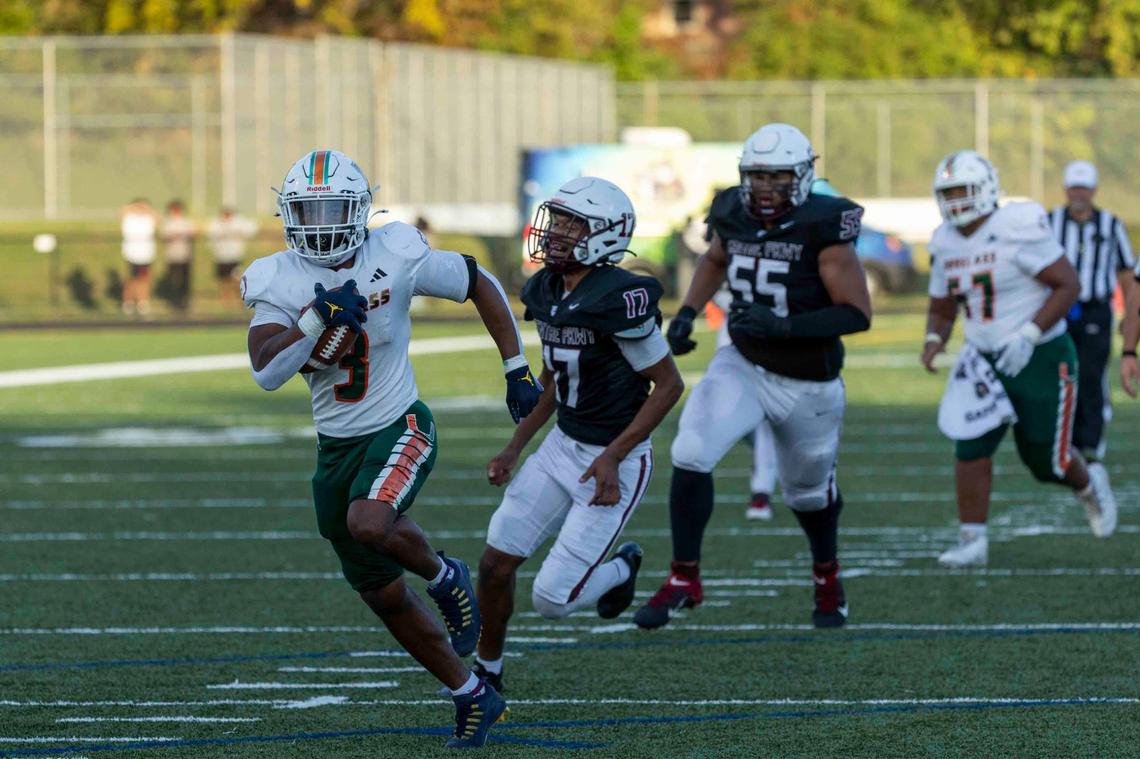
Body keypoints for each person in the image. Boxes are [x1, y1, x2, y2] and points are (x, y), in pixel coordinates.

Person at [242, 149, 542, 748]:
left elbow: (478, 281)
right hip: (336, 449)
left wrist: (515, 368)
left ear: (359, 210)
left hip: (400, 423)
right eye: (309, 209)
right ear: (287, 213)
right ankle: (470, 693)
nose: (322, 222)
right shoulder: (276, 277)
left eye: (333, 208)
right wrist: (310, 321)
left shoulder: (396, 252)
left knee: (370, 521)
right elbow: (266, 372)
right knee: (380, 593)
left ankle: (444, 573)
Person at [636, 123, 872, 631]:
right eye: (757, 176)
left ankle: (827, 576)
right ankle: (684, 576)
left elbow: (857, 314)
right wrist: (686, 313)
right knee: (691, 451)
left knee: (807, 493)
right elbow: (716, 257)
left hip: (807, 381)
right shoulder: (731, 211)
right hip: (742, 361)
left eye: (777, 176)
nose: (765, 187)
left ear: (803, 177)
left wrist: (785, 326)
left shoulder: (824, 225)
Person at [471, 177, 683, 693]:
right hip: (562, 445)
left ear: (606, 234)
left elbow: (669, 384)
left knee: (553, 600)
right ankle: (488, 670)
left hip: (614, 459)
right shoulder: (546, 287)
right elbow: (554, 377)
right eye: (557, 220)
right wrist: (516, 445)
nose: (556, 233)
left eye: (571, 224)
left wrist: (613, 456)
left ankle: (622, 569)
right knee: (496, 563)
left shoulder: (620, 297)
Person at [921, 150, 1117, 567]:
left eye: (963, 191)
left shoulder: (1016, 226)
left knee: (1047, 461)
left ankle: (1089, 485)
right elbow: (942, 302)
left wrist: (1029, 333)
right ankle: (973, 539)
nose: (955, 201)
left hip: (1041, 355)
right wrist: (934, 337)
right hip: (982, 358)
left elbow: (1068, 284)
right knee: (970, 444)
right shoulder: (944, 240)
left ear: (987, 190)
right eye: (948, 193)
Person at [1048, 161, 1136, 463]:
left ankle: (1091, 442)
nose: (1079, 193)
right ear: (1066, 189)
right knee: (1059, 373)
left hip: (1096, 309)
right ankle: (1066, 440)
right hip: (1058, 309)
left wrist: (1129, 314)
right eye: (1074, 187)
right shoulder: (1050, 222)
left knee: (1091, 374)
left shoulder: (1111, 224)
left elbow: (1126, 271)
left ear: (1094, 190)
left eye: (1084, 188)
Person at [208, 206, 258, 308]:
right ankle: (226, 303)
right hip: (221, 256)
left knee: (237, 280)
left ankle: (239, 300)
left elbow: (252, 228)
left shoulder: (239, 222)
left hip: (235, 256)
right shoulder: (216, 223)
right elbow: (211, 236)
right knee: (224, 281)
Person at [120, 198, 158, 317]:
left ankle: (143, 303)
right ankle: (128, 303)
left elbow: (158, 218)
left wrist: (147, 208)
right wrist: (134, 206)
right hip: (131, 254)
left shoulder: (148, 219)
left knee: (144, 279)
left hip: (146, 254)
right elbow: (122, 212)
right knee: (131, 279)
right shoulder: (129, 218)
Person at [160, 200, 197, 314]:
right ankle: (174, 301)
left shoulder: (186, 222)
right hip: (172, 256)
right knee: (173, 279)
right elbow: (164, 236)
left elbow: (194, 233)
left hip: (185, 255)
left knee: (185, 280)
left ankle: (184, 301)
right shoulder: (168, 223)